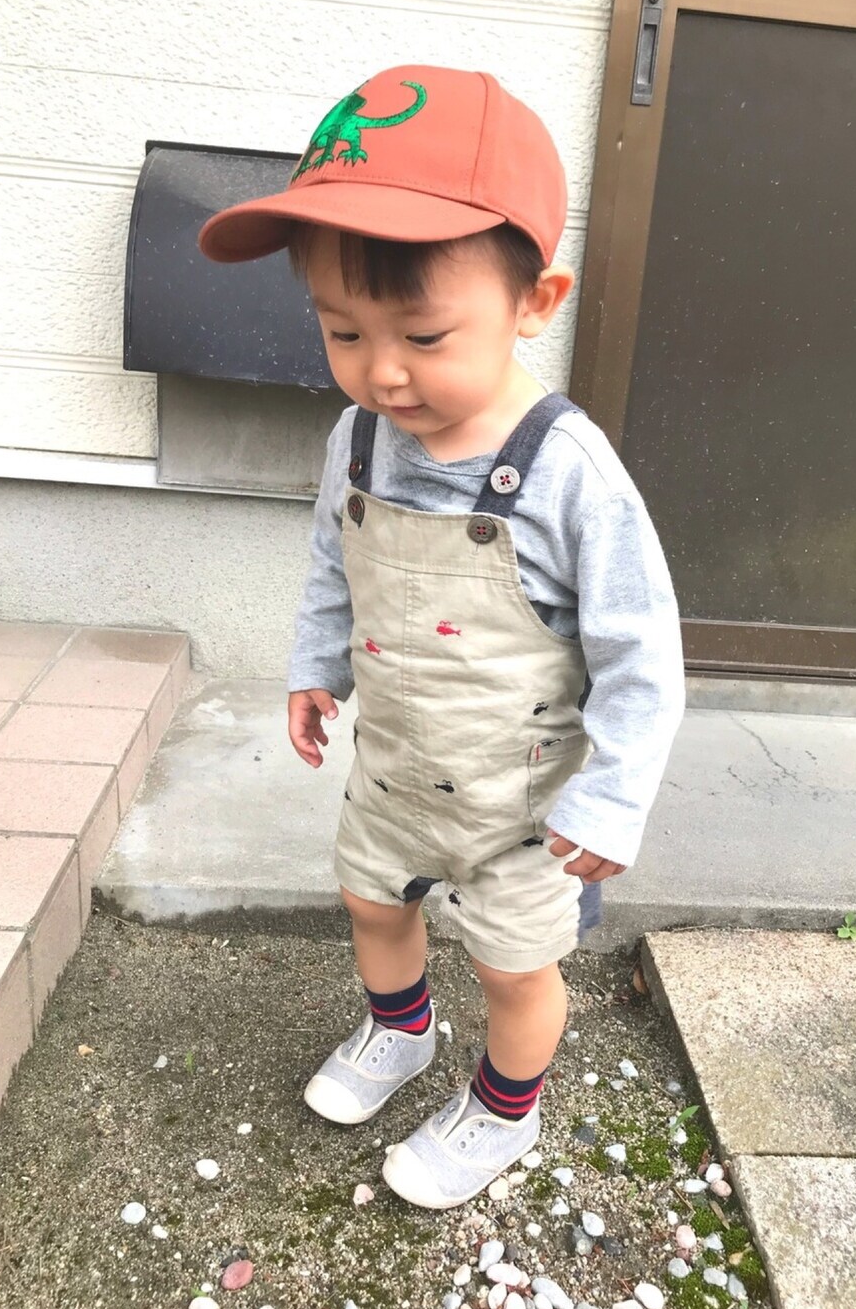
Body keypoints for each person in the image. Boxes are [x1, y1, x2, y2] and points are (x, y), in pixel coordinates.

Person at [198, 64, 685, 1209]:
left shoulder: (568, 472)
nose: (381, 371)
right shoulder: (359, 438)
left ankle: (505, 1108)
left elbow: (642, 651)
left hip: (524, 808)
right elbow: (335, 559)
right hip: (395, 768)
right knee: (374, 903)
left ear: (535, 302)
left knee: (515, 965)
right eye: (342, 331)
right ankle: (401, 1029)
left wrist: (613, 797)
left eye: (422, 333)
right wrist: (314, 666)